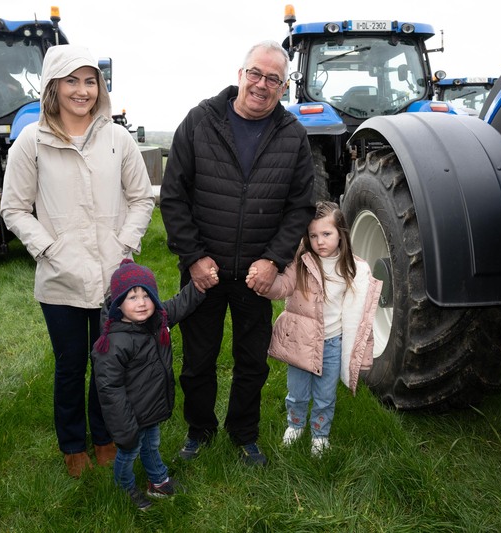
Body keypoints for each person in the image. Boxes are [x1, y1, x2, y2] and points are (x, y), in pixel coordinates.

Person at [0, 45, 155, 478]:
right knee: (71, 365)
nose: (82, 91)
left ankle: (104, 437)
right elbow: (14, 208)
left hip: (113, 276)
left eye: (90, 81)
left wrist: (124, 244)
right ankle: (72, 444)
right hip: (60, 277)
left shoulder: (117, 139)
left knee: (108, 363)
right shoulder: (31, 142)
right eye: (72, 81)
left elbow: (142, 198)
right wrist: (49, 249)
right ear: (53, 86)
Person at [159, 40, 315, 467]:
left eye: (273, 79)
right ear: (240, 74)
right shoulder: (200, 121)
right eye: (255, 74)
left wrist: (273, 260)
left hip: (255, 275)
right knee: (197, 360)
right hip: (203, 272)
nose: (262, 85)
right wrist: (193, 257)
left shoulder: (292, 135)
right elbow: (173, 197)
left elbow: (300, 207)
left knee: (251, 362)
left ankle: (244, 433)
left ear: (283, 87)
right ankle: (199, 430)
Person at [246, 201, 382, 456]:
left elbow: (358, 313)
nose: (320, 241)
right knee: (297, 392)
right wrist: (264, 286)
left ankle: (320, 435)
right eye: (313, 235)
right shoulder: (301, 262)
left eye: (326, 234)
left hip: (332, 344)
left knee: (325, 396)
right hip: (302, 341)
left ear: (341, 233)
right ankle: (295, 425)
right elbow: (283, 286)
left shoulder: (352, 268)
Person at [91, 259, 205, 511]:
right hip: (129, 417)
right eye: (132, 297)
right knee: (129, 452)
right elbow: (110, 390)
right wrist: (124, 430)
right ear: (118, 303)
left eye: (147, 295)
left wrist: (199, 286)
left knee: (151, 445)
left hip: (150, 409)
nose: (141, 303)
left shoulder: (155, 322)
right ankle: (124, 488)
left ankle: (158, 481)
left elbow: (179, 305)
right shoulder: (113, 343)